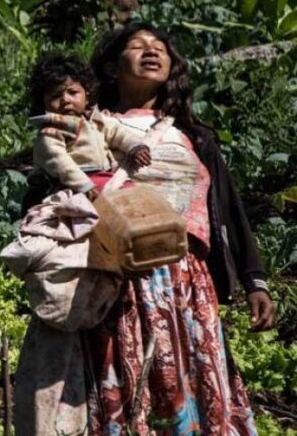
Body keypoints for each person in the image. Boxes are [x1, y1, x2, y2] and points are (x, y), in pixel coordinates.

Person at [14, 22, 276, 435]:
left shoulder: (194, 135)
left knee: (181, 388)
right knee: (122, 384)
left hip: (184, 283)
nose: (150, 52)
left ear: (172, 67)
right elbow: (48, 190)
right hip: (116, 277)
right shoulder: (87, 128)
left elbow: (229, 209)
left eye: (159, 48)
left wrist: (254, 279)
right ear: (113, 68)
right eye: (136, 47)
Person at [27, 52, 151, 201]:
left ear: (87, 95)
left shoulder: (96, 120)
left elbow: (117, 132)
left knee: (139, 197)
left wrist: (135, 147)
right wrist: (83, 185)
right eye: (55, 96)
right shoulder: (51, 131)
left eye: (73, 92)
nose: (65, 100)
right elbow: (59, 162)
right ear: (44, 103)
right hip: (76, 184)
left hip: (105, 176)